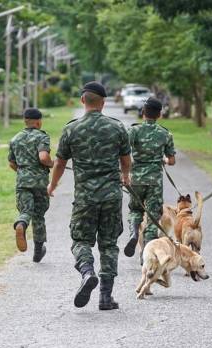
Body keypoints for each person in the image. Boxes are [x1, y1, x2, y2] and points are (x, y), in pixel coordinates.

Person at [48, 82, 131, 311]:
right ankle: (105, 296)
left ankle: (86, 272)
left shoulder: (71, 129)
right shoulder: (117, 128)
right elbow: (125, 160)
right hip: (111, 196)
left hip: (85, 197)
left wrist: (52, 185)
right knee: (109, 244)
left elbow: (59, 163)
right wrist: (125, 176)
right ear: (103, 103)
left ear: (83, 100)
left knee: (81, 240)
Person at [124, 97, 176, 259]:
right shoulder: (165, 133)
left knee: (135, 210)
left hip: (137, 178)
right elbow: (172, 160)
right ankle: (145, 256)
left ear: (143, 113)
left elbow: (123, 152)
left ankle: (133, 232)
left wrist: (124, 171)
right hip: (155, 181)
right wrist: (163, 160)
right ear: (159, 114)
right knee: (153, 216)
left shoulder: (133, 131)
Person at [9, 107, 53, 262]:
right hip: (40, 182)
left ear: (25, 121)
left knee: (26, 211)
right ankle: (38, 251)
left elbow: (12, 163)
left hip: (22, 181)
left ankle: (21, 223)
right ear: (39, 122)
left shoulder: (15, 138)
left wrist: (23, 173)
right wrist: (51, 164)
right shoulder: (42, 137)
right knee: (39, 215)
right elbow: (43, 157)